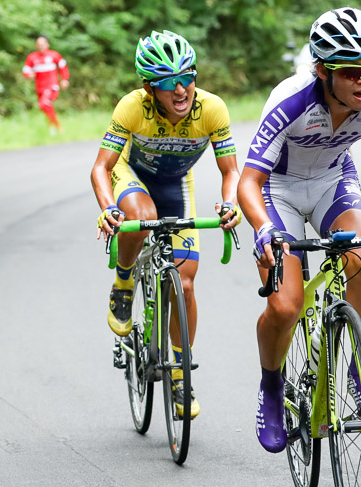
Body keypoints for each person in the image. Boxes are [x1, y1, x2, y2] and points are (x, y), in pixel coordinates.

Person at [237, 7, 361, 453]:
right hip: (278, 191)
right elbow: (248, 181)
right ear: (323, 71)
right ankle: (271, 389)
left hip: (332, 181)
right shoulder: (290, 101)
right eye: (350, 71)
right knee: (286, 307)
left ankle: (359, 372)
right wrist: (264, 229)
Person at [91, 30, 241, 419]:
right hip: (132, 175)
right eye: (168, 83)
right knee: (140, 219)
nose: (181, 89)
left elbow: (231, 171)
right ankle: (124, 282)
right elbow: (101, 167)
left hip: (176, 184)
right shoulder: (132, 107)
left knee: (185, 283)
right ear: (149, 88)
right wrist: (108, 209)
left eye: (187, 76)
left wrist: (230, 203)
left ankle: (179, 374)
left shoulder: (212, 108)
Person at [22, 35, 70, 133]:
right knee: (46, 106)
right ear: (36, 46)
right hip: (40, 87)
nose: (41, 46)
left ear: (47, 44)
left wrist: (64, 79)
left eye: (43, 44)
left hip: (52, 85)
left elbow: (63, 66)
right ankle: (52, 126)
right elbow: (25, 70)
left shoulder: (54, 55)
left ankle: (58, 127)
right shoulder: (32, 57)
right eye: (39, 44)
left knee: (43, 104)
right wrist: (28, 75)